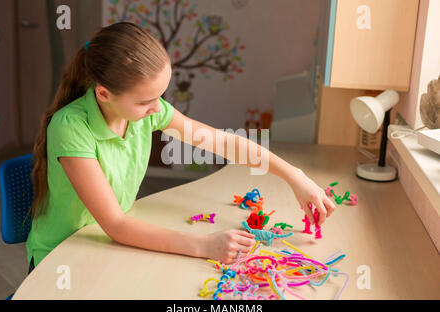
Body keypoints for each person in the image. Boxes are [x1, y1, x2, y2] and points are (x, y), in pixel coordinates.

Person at [26, 22, 336, 274]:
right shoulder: (70, 127)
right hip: (62, 257)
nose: (156, 108)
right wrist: (203, 246)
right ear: (104, 94)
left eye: (159, 96)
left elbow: (222, 141)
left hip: (109, 244)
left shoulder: (147, 111)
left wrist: (296, 177)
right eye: (145, 101)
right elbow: (116, 224)